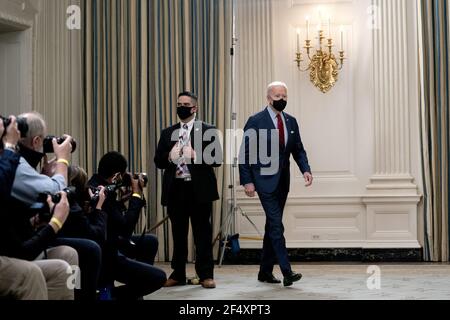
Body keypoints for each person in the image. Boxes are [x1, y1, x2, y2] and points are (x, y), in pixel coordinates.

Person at [239, 82, 313, 287]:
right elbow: (244, 154)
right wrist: (247, 181)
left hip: (283, 182)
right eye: (277, 96)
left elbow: (298, 149)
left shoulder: (291, 121)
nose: (282, 99)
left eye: (284, 96)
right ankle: (287, 271)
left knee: (272, 225)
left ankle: (264, 271)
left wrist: (305, 169)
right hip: (262, 181)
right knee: (276, 225)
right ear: (269, 98)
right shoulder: (255, 121)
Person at [0, 116, 78, 300]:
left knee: (69, 256)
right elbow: (57, 190)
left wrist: (36, 220)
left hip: (17, 245)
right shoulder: (11, 163)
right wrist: (63, 161)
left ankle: (76, 294)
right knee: (89, 250)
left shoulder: (14, 162)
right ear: (36, 141)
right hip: (13, 252)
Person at [154, 91, 223, 289]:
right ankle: (178, 274)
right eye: (178, 103)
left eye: (185, 104)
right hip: (176, 190)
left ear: (194, 108)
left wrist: (196, 155)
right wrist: (169, 156)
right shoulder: (167, 132)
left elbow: (217, 159)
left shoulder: (208, 130)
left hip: (199, 190)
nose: (181, 107)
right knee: (178, 234)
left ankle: (206, 275)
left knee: (202, 234)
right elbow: (158, 161)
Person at [89, 152, 166, 300]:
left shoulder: (95, 184)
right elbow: (125, 228)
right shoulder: (103, 192)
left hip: (110, 242)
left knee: (150, 241)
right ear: (117, 175)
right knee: (158, 278)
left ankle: (137, 292)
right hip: (108, 254)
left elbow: (112, 218)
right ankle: (107, 297)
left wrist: (123, 200)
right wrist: (136, 195)